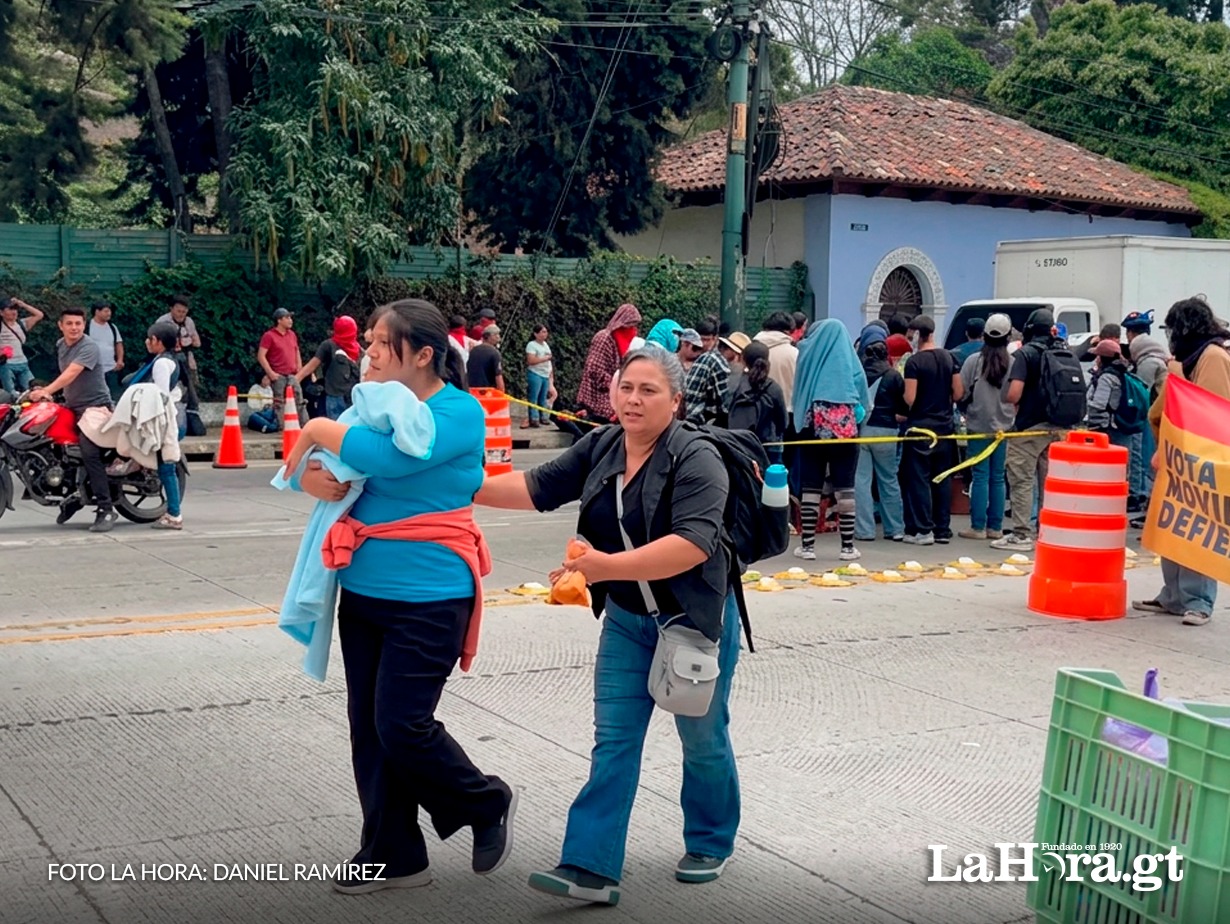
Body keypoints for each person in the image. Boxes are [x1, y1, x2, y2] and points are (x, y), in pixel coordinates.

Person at [474, 346, 740, 906]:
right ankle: (590, 866)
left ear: (676, 399)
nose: (633, 400)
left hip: (693, 621)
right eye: (626, 388)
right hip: (626, 620)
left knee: (702, 738)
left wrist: (601, 567)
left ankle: (711, 840)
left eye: (648, 390)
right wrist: (453, 485)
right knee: (614, 740)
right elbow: (533, 488)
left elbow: (691, 546)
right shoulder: (602, 446)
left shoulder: (698, 457)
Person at [287, 298, 518, 892]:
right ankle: (393, 850)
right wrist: (314, 472)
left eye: (382, 343)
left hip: (432, 596)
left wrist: (316, 428)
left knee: (402, 724)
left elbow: (389, 457)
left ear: (423, 353)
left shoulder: (459, 412)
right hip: (363, 592)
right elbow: (323, 471)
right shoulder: (373, 410)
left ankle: (484, 801)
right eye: (368, 340)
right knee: (368, 726)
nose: (369, 351)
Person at [1135, 296, 1230, 627]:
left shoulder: (1213, 357)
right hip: (1177, 454)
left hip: (1202, 458)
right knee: (1173, 525)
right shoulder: (1190, 358)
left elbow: (1209, 410)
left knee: (1199, 527)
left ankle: (1199, 600)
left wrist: (1175, 371)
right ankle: (1173, 595)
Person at [28, 307, 117, 532]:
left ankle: (106, 509)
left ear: (84, 325)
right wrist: (42, 390)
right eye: (69, 323)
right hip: (72, 407)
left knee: (89, 452)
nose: (74, 327)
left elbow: (72, 373)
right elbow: (63, 375)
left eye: (78, 323)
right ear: (61, 325)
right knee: (56, 446)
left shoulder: (88, 347)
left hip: (95, 408)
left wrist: (48, 389)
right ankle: (76, 494)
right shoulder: (61, 345)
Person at [991, 308, 1068, 552]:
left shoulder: (1026, 354)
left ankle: (1021, 534)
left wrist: (1006, 397)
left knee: (1022, 479)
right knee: (1048, 481)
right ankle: (1046, 531)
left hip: (1029, 427)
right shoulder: (1061, 352)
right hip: (1058, 426)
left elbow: (1014, 393)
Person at [792, 319, 870, 562]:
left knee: (811, 487)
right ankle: (847, 547)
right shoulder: (848, 358)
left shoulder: (806, 353)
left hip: (811, 424)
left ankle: (807, 546)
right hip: (844, 428)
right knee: (845, 486)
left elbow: (798, 388)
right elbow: (862, 395)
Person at [116, 322, 186, 529]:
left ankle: (174, 515)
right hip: (164, 419)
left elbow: (159, 395)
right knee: (166, 468)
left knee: (166, 469)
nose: (147, 342)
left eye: (150, 338)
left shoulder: (161, 364)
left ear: (158, 341)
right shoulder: (165, 360)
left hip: (161, 421)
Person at [901, 316, 963, 545]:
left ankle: (922, 529)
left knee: (919, 479)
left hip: (920, 429)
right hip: (945, 428)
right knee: (942, 478)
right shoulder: (949, 358)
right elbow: (958, 392)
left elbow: (910, 397)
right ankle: (942, 529)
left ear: (917, 334)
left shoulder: (914, 363)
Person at [957, 314, 1015, 541]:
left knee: (980, 476)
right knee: (998, 477)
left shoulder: (973, 361)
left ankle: (978, 527)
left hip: (978, 425)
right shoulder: (1013, 362)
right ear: (1008, 336)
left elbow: (960, 392)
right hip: (1004, 427)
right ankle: (996, 527)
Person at [853, 336, 906, 543]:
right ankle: (895, 528)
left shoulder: (859, 376)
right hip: (887, 431)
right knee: (889, 479)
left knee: (861, 481)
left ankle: (864, 530)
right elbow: (903, 409)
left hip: (862, 431)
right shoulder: (894, 376)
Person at [1127, 326, 1169, 514]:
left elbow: (1140, 391)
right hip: (1165, 414)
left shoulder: (1148, 363)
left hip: (1153, 415)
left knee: (1146, 457)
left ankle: (1145, 499)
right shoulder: (1161, 360)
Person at [576, 303, 640, 423]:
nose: (633, 330)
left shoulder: (621, 342)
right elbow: (594, 369)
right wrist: (616, 385)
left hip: (611, 393)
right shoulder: (604, 338)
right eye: (630, 325)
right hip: (595, 397)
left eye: (635, 325)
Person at [727, 341, 787, 455]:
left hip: (740, 443)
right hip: (769, 445)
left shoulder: (734, 384)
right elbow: (783, 422)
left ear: (743, 360)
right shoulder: (773, 388)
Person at [296, 317, 363, 420]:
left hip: (352, 396)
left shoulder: (358, 349)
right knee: (335, 429)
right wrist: (295, 380)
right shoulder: (329, 345)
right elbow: (312, 365)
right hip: (334, 395)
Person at [258, 308, 308, 428]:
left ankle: (304, 425)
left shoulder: (292, 335)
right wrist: (270, 373)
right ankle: (281, 426)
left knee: (299, 400)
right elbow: (261, 356)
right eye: (287, 318)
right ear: (279, 320)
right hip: (278, 375)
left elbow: (296, 352)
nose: (290, 320)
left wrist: (299, 368)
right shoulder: (269, 336)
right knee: (279, 402)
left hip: (292, 374)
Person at [156, 295, 201, 412]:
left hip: (186, 358)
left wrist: (188, 341)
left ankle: (190, 409)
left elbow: (197, 342)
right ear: (171, 308)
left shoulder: (189, 322)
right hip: (168, 358)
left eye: (184, 312)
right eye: (178, 311)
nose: (181, 314)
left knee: (190, 385)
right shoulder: (162, 322)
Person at [1085, 339, 1130, 448]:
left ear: (1102, 358)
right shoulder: (1121, 372)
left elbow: (1100, 404)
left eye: (1098, 356)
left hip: (1106, 428)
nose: (1096, 359)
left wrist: (1085, 403)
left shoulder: (1106, 377)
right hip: (1119, 425)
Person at [0, 295, 44, 395]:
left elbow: (39, 315)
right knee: (11, 393)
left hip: (23, 363)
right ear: (1, 312)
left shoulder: (21, 324)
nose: (14, 312)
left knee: (34, 391)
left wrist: (23, 304)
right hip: (6, 365)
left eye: (15, 309)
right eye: (10, 309)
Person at [87, 301, 125, 399]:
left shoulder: (112, 327)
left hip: (111, 369)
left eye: (110, 311)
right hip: (92, 371)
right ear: (97, 312)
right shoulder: (87, 327)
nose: (109, 314)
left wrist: (120, 360)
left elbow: (118, 343)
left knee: (113, 397)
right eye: (106, 311)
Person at [524, 324, 553, 428]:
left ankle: (544, 417)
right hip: (535, 373)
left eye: (545, 332)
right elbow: (531, 360)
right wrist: (544, 358)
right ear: (536, 334)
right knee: (534, 397)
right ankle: (534, 418)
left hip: (545, 374)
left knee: (543, 397)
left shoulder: (546, 345)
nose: (545, 334)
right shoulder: (531, 345)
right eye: (542, 332)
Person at [466, 325, 504, 391]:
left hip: (471, 389)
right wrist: (501, 393)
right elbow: (498, 376)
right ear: (488, 336)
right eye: (495, 334)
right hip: (487, 392)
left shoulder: (473, 351)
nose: (498, 336)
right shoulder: (495, 353)